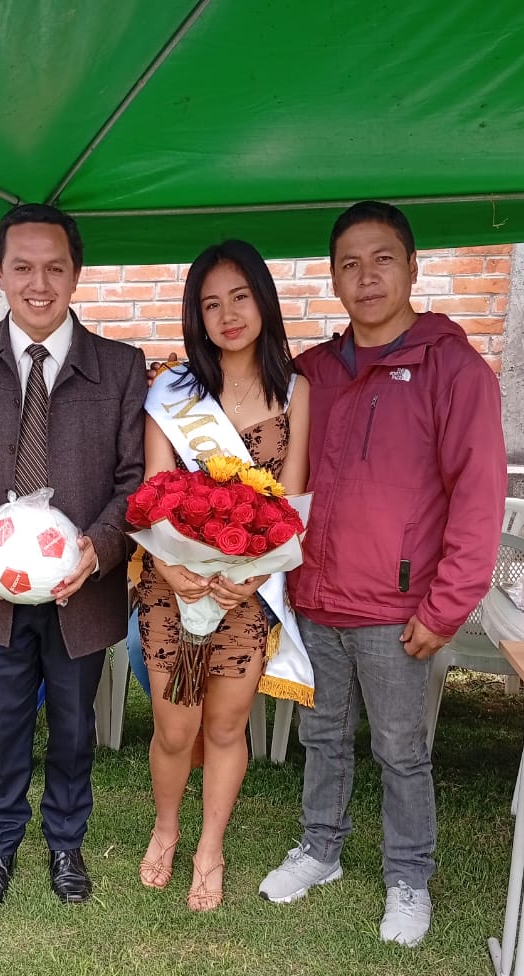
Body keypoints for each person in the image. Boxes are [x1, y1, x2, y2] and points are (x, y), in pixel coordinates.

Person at [258, 200, 507, 945]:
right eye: (349, 264)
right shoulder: (313, 372)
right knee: (322, 737)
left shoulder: (453, 370)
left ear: (412, 268)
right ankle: (320, 848)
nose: (366, 277)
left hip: (397, 610)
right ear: (333, 278)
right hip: (316, 597)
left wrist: (445, 607)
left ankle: (408, 877)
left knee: (400, 750)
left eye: (382, 259)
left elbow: (478, 497)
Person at [0, 202, 146, 912]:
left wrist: (98, 547)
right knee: (4, 724)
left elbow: (135, 482)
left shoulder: (119, 366)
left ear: (77, 273)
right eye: (22, 267)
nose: (38, 283)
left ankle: (66, 843)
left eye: (54, 267)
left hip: (83, 588)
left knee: (75, 727)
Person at [137, 241, 309, 911]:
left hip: (247, 591)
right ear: (197, 317)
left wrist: (249, 578)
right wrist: (169, 566)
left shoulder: (296, 391)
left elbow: (291, 506)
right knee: (174, 728)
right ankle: (165, 827)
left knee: (227, 728)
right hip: (172, 586)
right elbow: (154, 494)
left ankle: (210, 846)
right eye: (210, 304)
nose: (227, 315)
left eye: (239, 297)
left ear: (263, 300)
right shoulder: (172, 391)